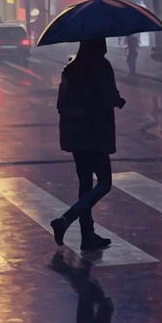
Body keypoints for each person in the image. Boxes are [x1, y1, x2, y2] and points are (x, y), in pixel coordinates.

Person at [50, 37, 126, 252]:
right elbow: (110, 97)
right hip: (96, 133)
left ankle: (88, 234)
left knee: (85, 185)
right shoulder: (101, 65)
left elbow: (60, 103)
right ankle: (65, 220)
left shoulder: (71, 68)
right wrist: (118, 101)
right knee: (104, 183)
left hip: (75, 135)